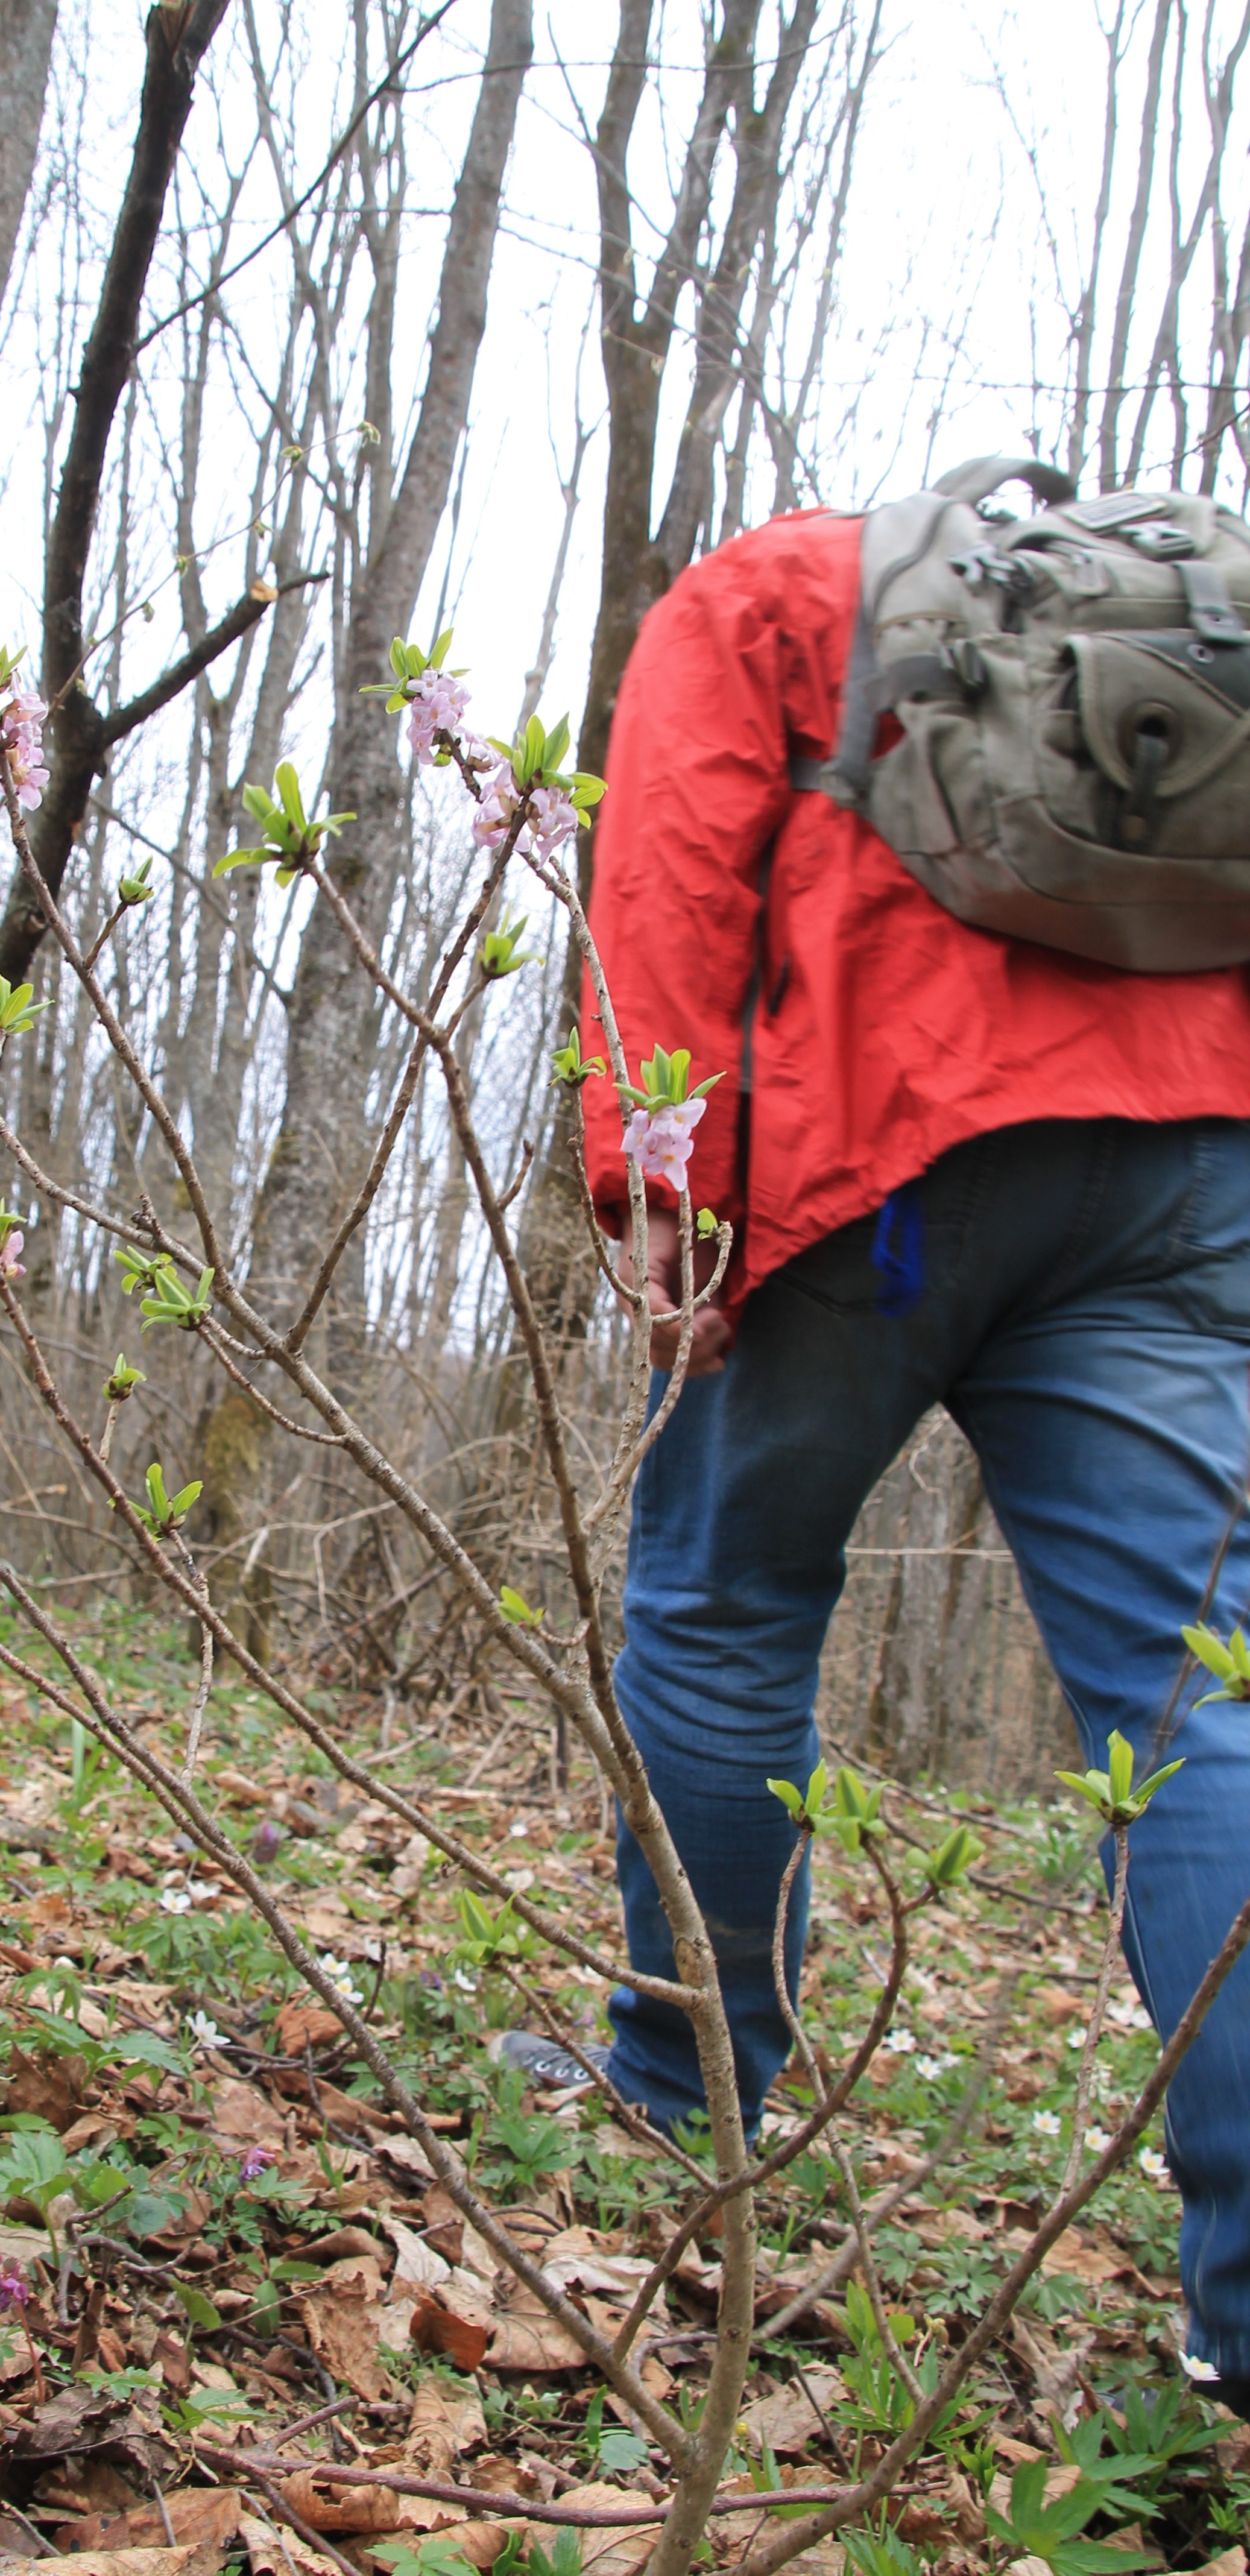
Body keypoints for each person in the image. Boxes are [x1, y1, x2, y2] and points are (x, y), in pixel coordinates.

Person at [496, 501, 1250, 2410]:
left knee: (722, 1611)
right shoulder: (1204, 628)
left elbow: (668, 869)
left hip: (875, 1138)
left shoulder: (776, 587)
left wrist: (659, 1182)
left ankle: (684, 2097)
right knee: (1203, 1704)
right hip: (1189, 1162)